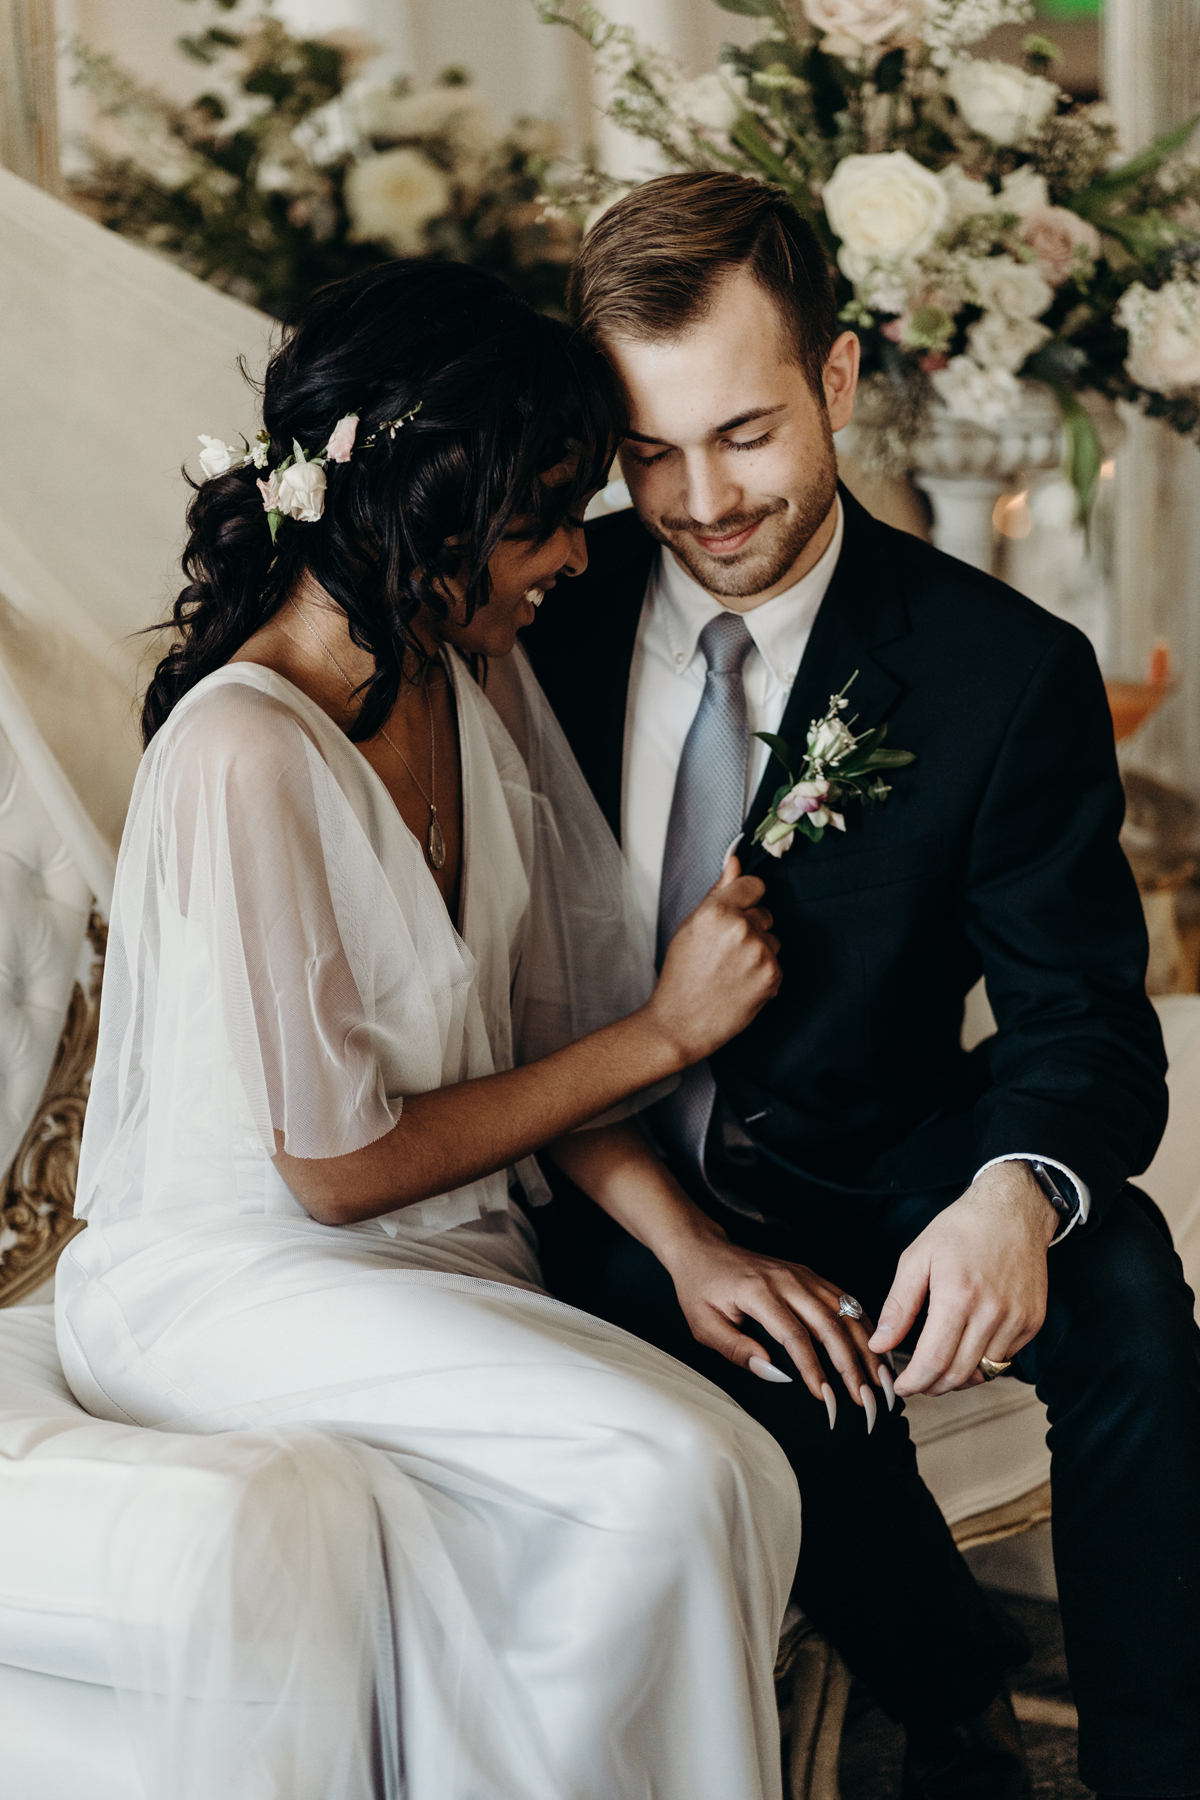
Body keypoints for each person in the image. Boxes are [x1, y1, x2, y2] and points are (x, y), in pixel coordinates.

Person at [54, 258, 812, 1800]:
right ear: (432, 514)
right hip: (237, 1279)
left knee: (735, 1460)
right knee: (655, 1471)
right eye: (544, 516)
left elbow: (539, 1048)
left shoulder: (474, 680)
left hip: (435, 1266)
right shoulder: (244, 752)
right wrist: (671, 1034)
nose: (575, 561)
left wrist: (693, 1250)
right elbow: (332, 1172)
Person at [525, 172, 1200, 1800]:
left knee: (1133, 1302)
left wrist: (1015, 1195)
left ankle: (1159, 1766)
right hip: (588, 1181)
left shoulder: (997, 666)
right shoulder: (532, 615)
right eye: (649, 450)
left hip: (876, 1159)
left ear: (836, 378)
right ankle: (950, 1698)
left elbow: (1087, 1023)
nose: (697, 500)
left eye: (745, 433)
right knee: (771, 1364)